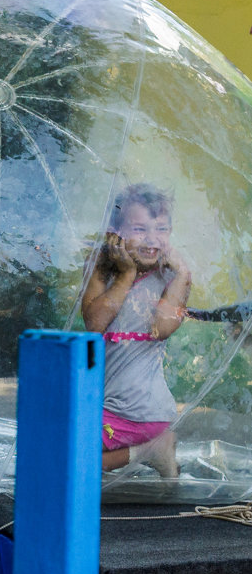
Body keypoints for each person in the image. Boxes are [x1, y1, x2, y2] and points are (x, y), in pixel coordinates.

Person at [82, 183, 191, 477]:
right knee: (57, 442)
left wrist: (182, 275)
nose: (152, 240)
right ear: (115, 233)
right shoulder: (102, 270)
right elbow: (94, 323)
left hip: (141, 410)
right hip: (109, 406)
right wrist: (127, 273)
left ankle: (150, 449)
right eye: (140, 229)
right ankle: (152, 449)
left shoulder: (171, 277)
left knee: (69, 458)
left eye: (162, 230)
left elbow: (163, 329)